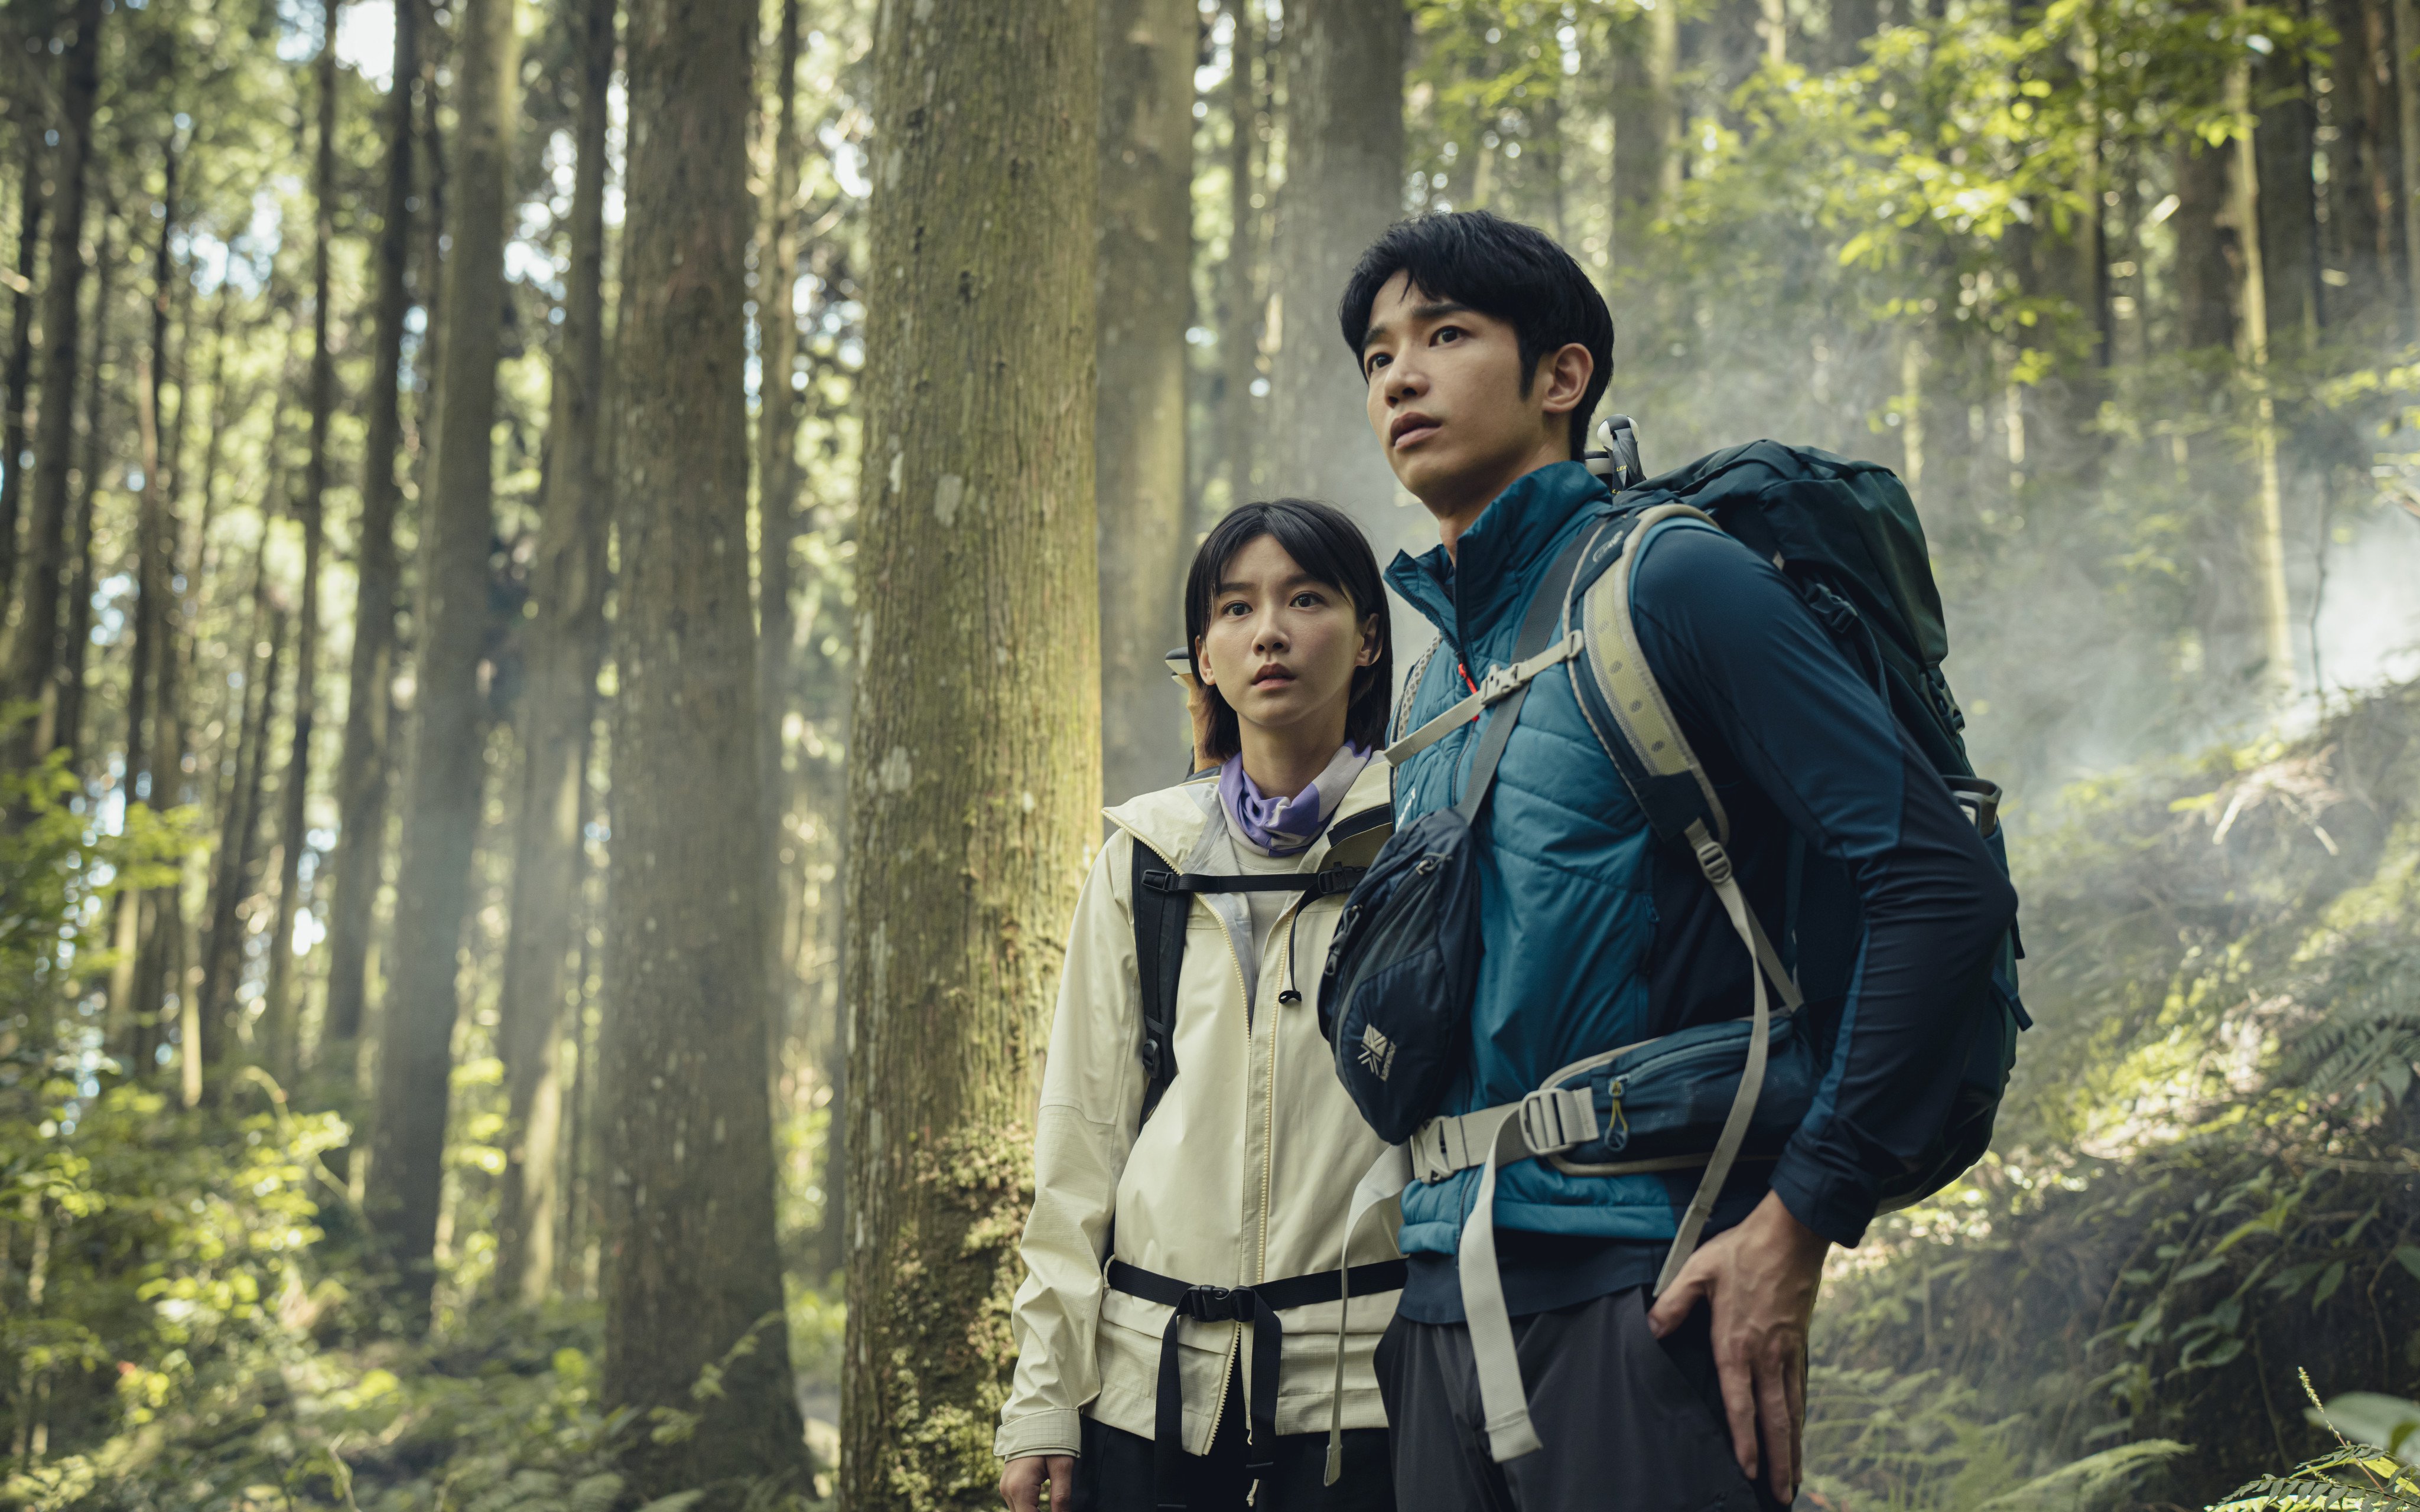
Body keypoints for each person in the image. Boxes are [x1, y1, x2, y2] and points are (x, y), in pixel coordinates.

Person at [1341, 209, 2020, 1510]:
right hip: (1434, 1302)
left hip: (1639, 1291)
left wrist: (1800, 1219)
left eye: (1443, 335)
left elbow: (1938, 881)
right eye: (1376, 357)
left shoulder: (1666, 585)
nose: (1399, 378)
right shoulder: (1434, 680)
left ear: (1562, 376)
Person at [996, 500, 1406, 1512]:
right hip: (1151, 1395)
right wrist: (1046, 1402)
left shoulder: (1421, 844)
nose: (1268, 630)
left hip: (1363, 1393)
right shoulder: (1146, 859)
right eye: (1235, 608)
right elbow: (1080, 1145)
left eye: (1306, 598)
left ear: (1367, 641)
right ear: (1204, 658)